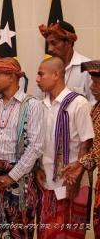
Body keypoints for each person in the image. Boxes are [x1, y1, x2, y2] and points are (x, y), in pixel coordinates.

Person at [0, 58, 45, 239]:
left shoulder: (32, 106)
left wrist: (11, 177)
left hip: (20, 179)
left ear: (11, 76)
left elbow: (36, 146)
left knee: (19, 231)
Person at [34, 57, 93, 238]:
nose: (37, 79)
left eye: (40, 74)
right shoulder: (40, 106)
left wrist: (77, 176)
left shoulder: (79, 103)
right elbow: (37, 143)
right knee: (48, 233)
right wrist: (37, 167)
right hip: (46, 184)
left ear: (56, 74)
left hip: (71, 183)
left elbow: (87, 141)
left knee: (70, 233)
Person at [62, 60, 100, 238]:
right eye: (92, 82)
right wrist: (80, 164)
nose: (91, 88)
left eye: (97, 83)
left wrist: (80, 163)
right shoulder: (96, 108)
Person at [37, 21, 95, 105]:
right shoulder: (47, 67)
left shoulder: (88, 67)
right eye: (48, 44)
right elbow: (39, 99)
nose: (49, 49)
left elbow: (94, 104)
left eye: (54, 43)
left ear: (68, 43)